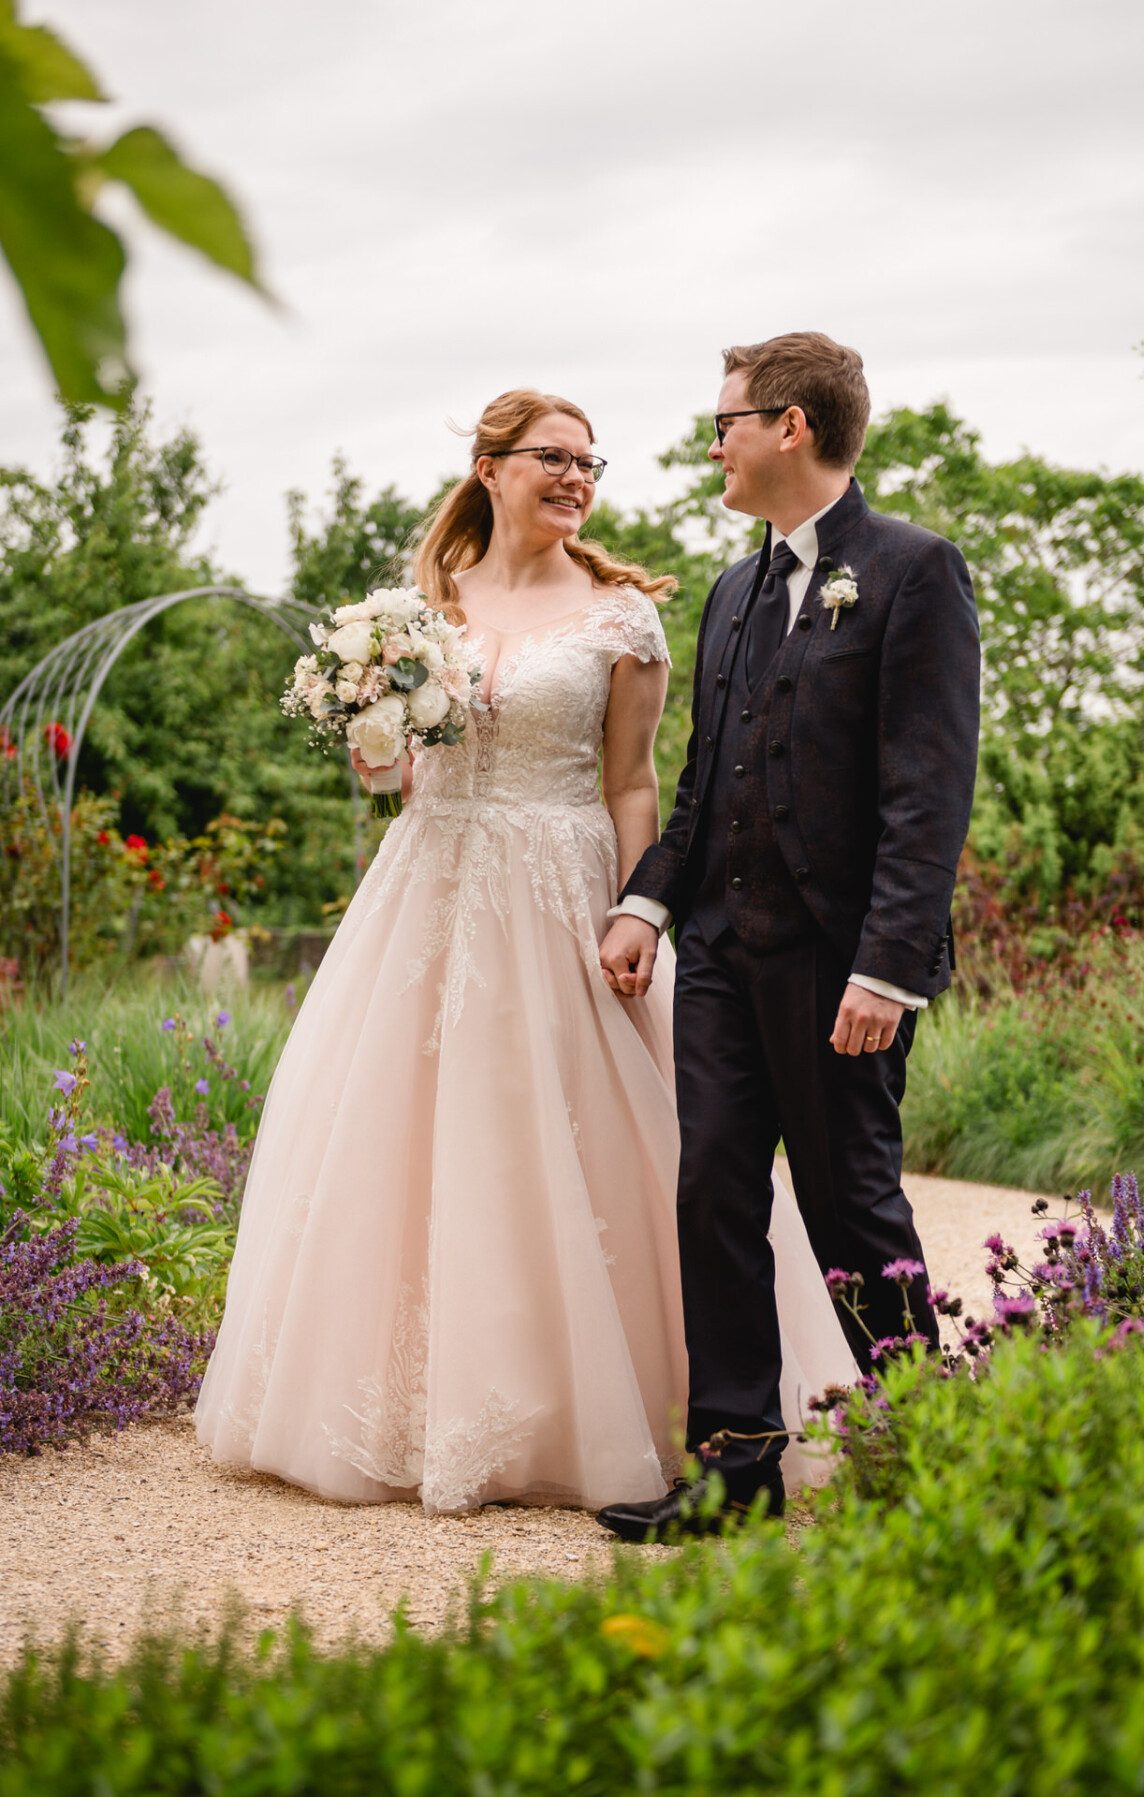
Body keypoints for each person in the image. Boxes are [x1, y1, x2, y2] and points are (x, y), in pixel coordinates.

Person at [195, 388, 856, 1515]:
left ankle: (632, 1409)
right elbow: (396, 772)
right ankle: (405, 1411)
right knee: (405, 1136)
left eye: (590, 463)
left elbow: (632, 782)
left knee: (592, 1137)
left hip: (563, 890)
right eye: (553, 457)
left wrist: (636, 909)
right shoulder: (423, 610)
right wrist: (375, 740)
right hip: (427, 886)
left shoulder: (622, 617)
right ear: (490, 468)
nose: (576, 478)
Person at [595, 334, 981, 1542]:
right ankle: (734, 1475)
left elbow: (929, 795)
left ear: (791, 427)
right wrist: (647, 903)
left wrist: (889, 969)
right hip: (720, 949)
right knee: (712, 1191)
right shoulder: (732, 590)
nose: (714, 444)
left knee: (850, 1204)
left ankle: (933, 1466)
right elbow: (704, 784)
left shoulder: (914, 571)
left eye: (726, 424)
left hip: (838, 963)